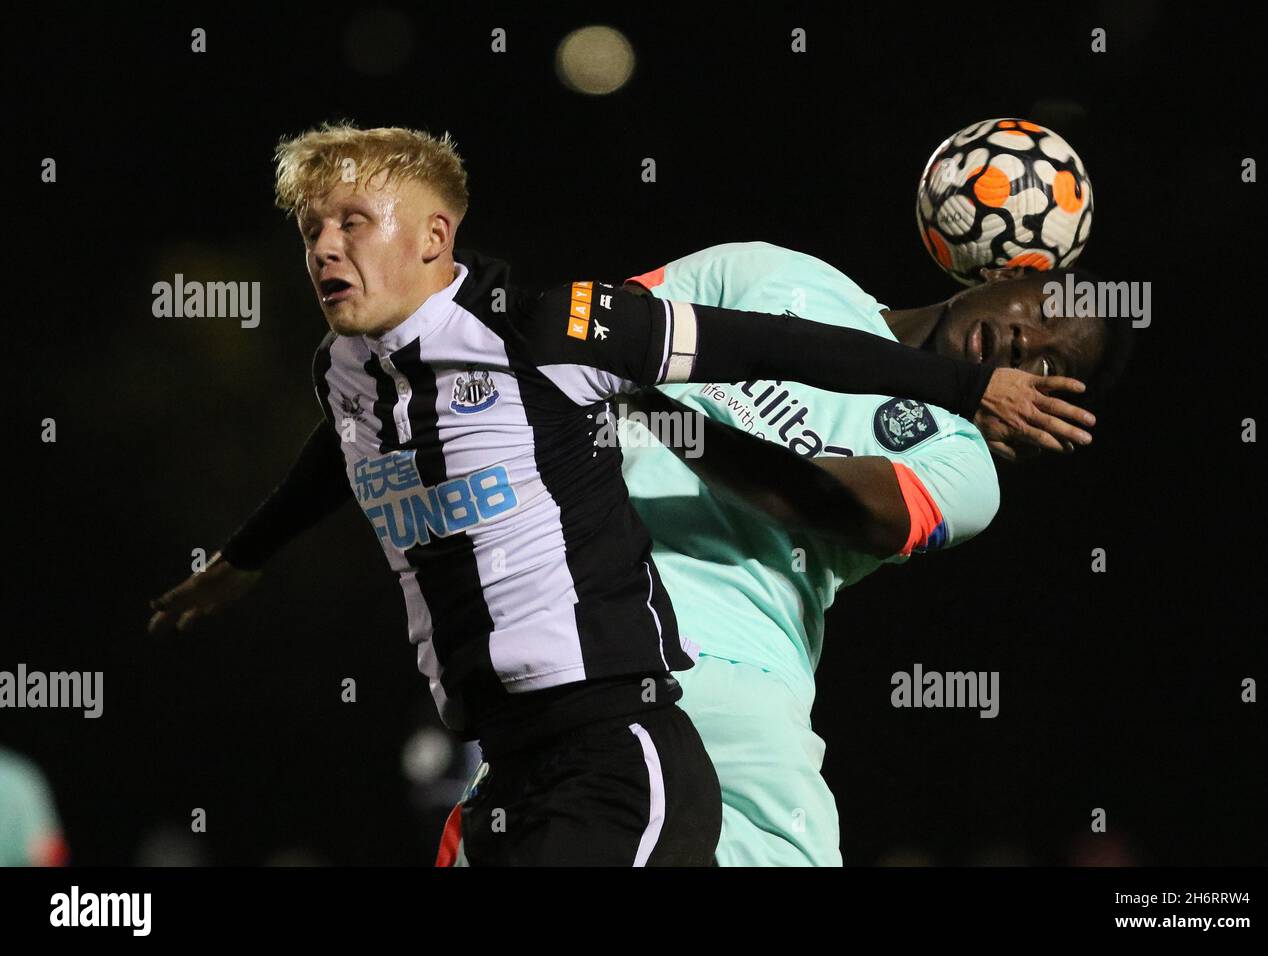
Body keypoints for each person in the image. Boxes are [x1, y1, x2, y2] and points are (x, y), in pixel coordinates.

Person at [148, 123, 1094, 866]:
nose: (1033, 348)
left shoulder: (963, 470)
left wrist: (656, 409)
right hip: (549, 658)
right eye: (1046, 318)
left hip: (730, 678)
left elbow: (818, 499)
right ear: (1008, 271)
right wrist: (245, 558)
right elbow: (547, 355)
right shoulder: (776, 273)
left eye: (1060, 371)